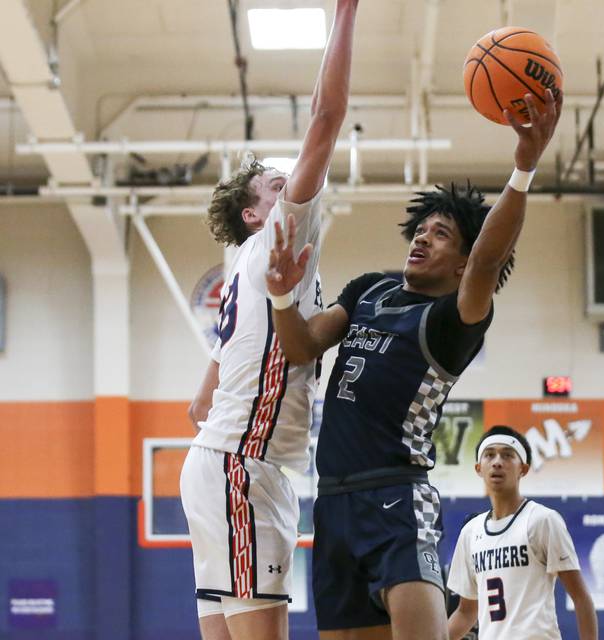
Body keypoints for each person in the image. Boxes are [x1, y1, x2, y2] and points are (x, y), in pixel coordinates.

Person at [266, 89, 562, 640]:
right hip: (331, 500)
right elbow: (302, 346)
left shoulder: (451, 321)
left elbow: (490, 260)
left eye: (442, 233)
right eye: (422, 229)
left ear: (462, 265)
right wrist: (281, 296)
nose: (423, 236)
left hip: (397, 496)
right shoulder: (368, 290)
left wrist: (523, 167)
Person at [179, 2, 360, 639]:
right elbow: (328, 116)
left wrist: (210, 391)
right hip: (242, 465)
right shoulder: (281, 234)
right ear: (257, 215)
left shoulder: (244, 266)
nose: (297, 190)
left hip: (220, 464)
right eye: (278, 187)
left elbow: (213, 372)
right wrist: (346, 12)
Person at [447, 426, 597, 640]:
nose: (497, 461)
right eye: (489, 455)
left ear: (523, 469)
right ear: (479, 468)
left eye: (507, 455)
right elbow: (466, 612)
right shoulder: (470, 532)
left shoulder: (543, 520)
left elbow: (581, 598)